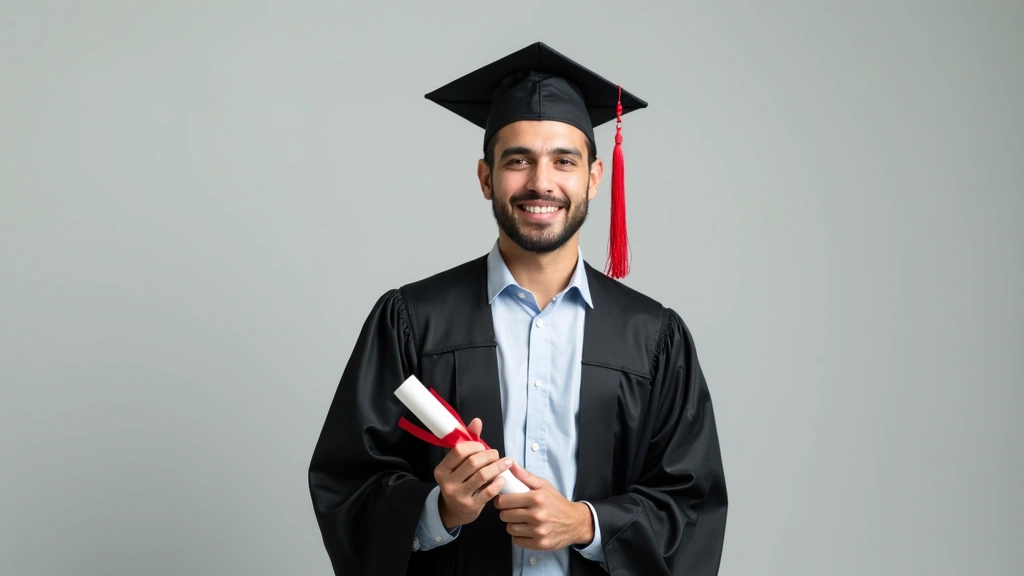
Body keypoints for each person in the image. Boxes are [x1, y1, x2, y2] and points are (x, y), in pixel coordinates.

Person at [308, 42, 728, 575]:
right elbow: (347, 484)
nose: (540, 182)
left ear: (594, 178)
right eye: (518, 160)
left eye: (563, 160)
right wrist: (440, 510)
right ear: (486, 178)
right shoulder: (413, 321)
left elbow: (691, 504)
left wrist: (587, 524)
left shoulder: (651, 337)